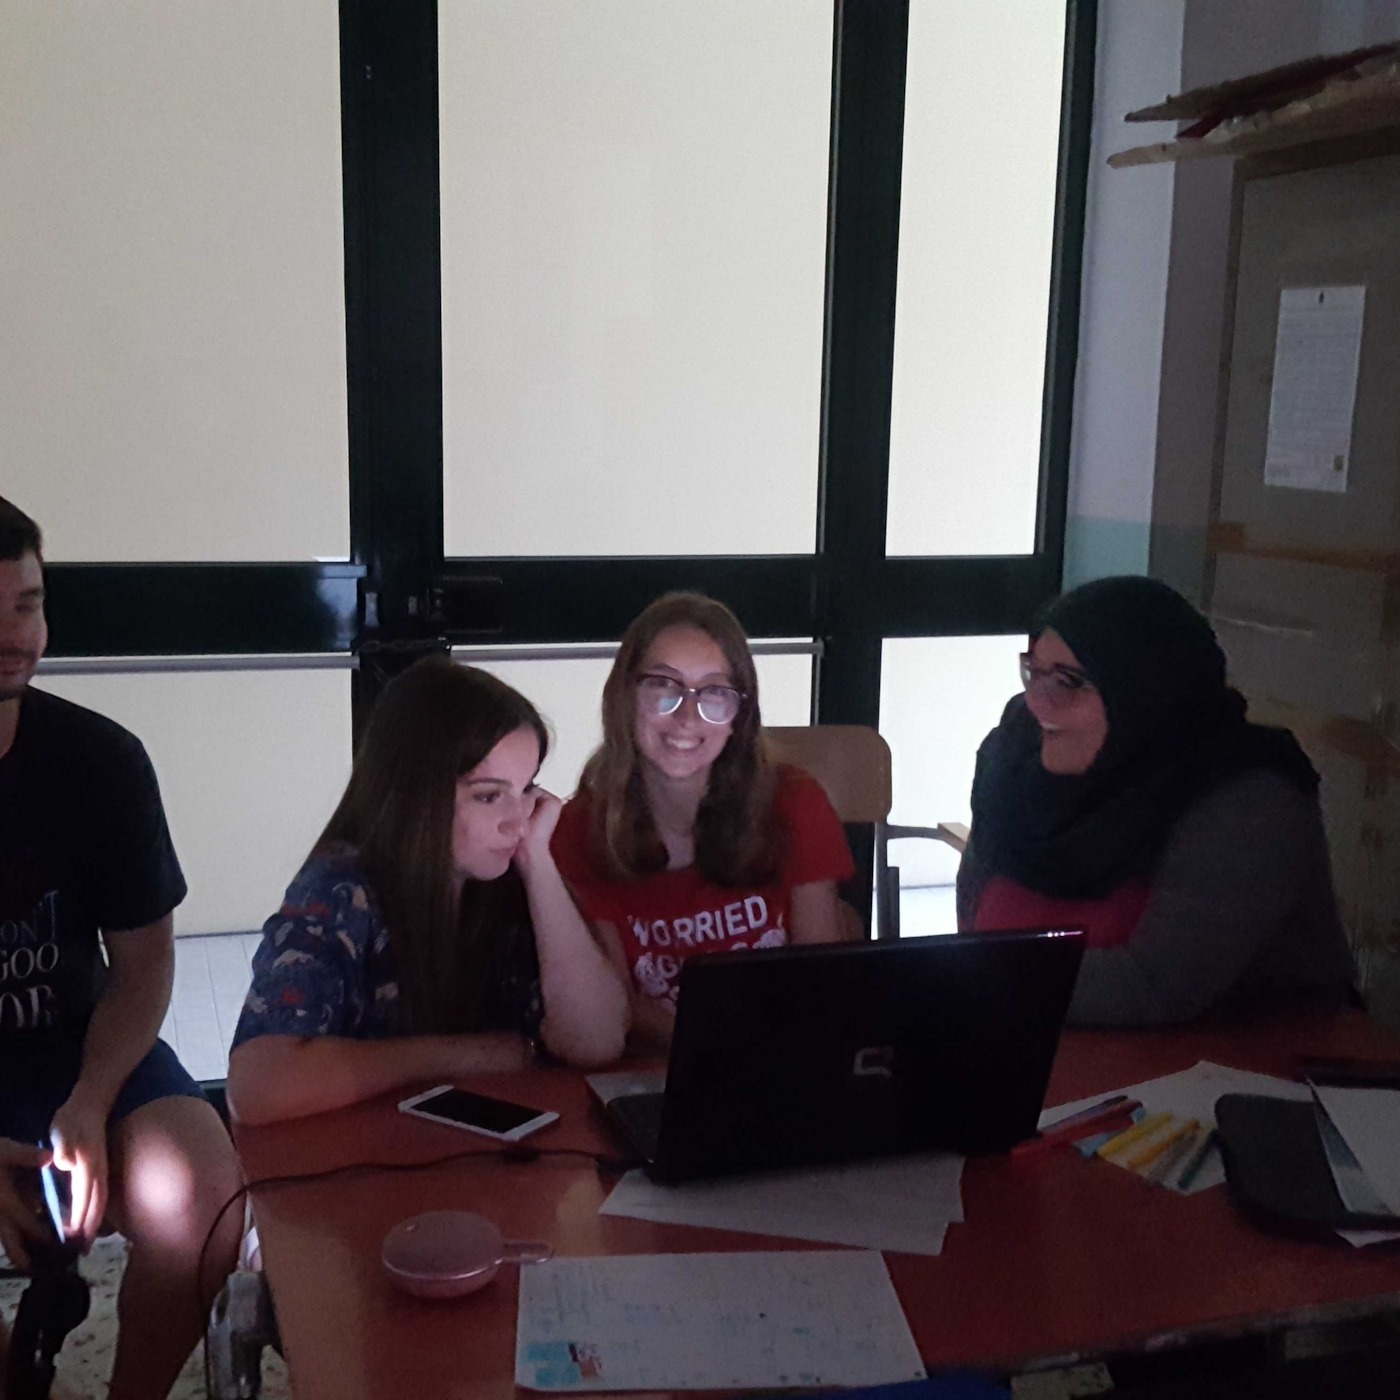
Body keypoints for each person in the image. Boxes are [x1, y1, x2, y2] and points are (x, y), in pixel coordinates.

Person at [0, 497, 242, 1400]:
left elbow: (142, 968)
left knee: (205, 1196)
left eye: (26, 605)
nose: (13, 635)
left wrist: (90, 1099)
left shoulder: (100, 760)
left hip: (79, 1047)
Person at [226, 658, 628, 1126]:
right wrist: (470, 1054)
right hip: (366, 1155)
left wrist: (539, 864)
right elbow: (260, 1086)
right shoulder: (342, 889)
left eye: (527, 789)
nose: (519, 821)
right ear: (418, 795)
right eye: (489, 796)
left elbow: (596, 1043)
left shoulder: (511, 879)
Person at [958, 574, 1355, 1027]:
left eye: (1068, 681)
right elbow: (975, 920)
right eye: (1034, 671)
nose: (1037, 703)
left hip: (1248, 1056)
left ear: (1142, 690)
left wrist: (972, 978)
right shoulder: (1016, 758)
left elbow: (1150, 986)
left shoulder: (1247, 801)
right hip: (1048, 1045)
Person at [551, 592, 856, 1052]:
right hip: (655, 1067)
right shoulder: (579, 828)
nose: (687, 716)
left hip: (781, 1057)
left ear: (739, 716)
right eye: (663, 686)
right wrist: (724, 1048)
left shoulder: (793, 801)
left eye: (714, 692)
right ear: (625, 697)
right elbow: (618, 1006)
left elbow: (819, 979)